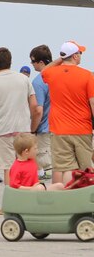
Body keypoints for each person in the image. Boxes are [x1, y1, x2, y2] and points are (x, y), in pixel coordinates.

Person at [0, 46, 37, 191]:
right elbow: (34, 105)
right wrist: (32, 125)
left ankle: (10, 198)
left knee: (9, 167)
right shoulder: (24, 79)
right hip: (23, 128)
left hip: (2, 130)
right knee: (27, 163)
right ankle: (28, 194)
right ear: (10, 61)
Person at [40, 40, 94, 184]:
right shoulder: (87, 75)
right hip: (82, 128)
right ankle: (84, 194)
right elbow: (93, 103)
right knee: (85, 168)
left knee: (66, 168)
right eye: (80, 53)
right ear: (75, 56)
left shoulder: (52, 73)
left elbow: (43, 71)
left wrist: (61, 58)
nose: (81, 55)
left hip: (59, 129)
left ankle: (67, 193)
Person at [28, 44, 52, 174]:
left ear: (41, 62)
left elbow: (38, 110)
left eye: (33, 61)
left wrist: (33, 129)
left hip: (44, 129)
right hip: (62, 127)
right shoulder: (60, 75)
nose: (32, 64)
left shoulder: (38, 82)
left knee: (47, 169)